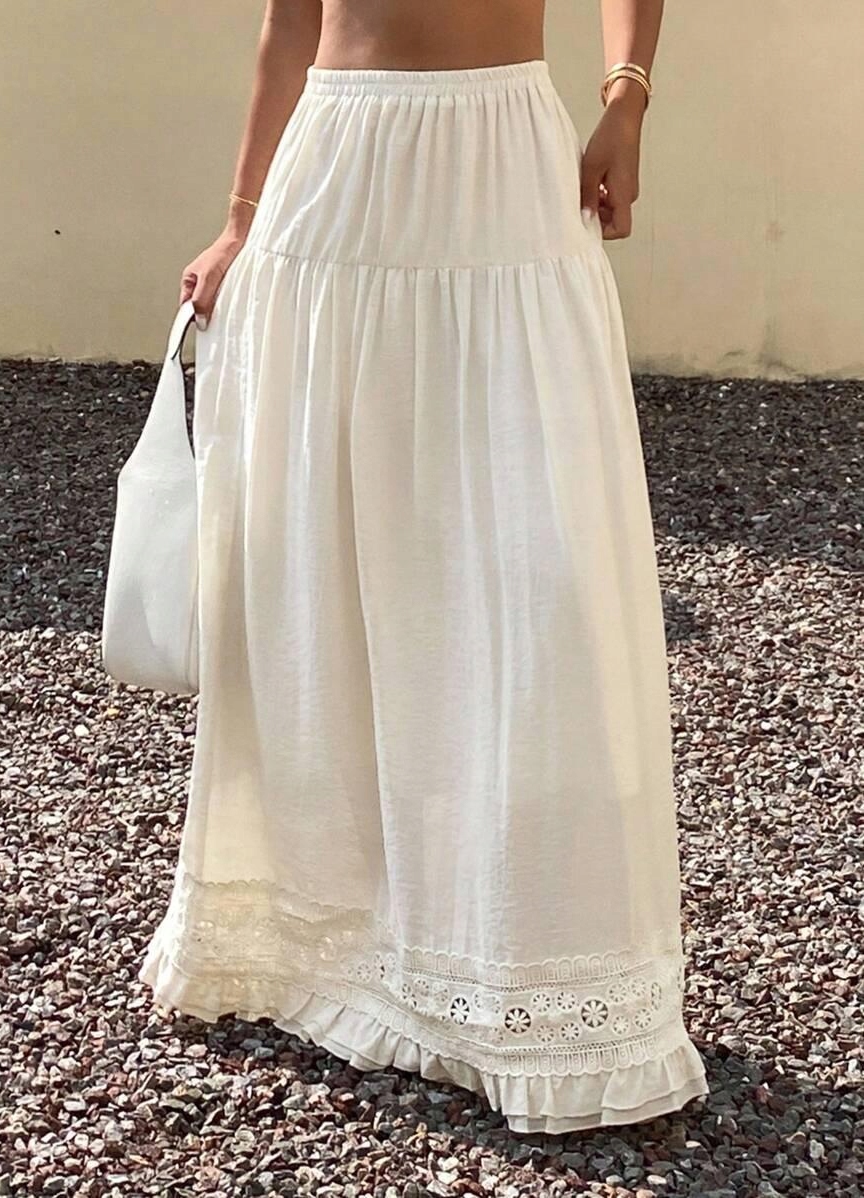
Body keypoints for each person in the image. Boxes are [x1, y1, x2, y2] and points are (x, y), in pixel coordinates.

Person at [139, 0, 710, 1133]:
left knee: (533, 579)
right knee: (322, 567)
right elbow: (289, 22)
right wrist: (240, 219)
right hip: (331, 175)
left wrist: (627, 96)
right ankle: (334, 944)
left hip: (502, 168)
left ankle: (521, 963)